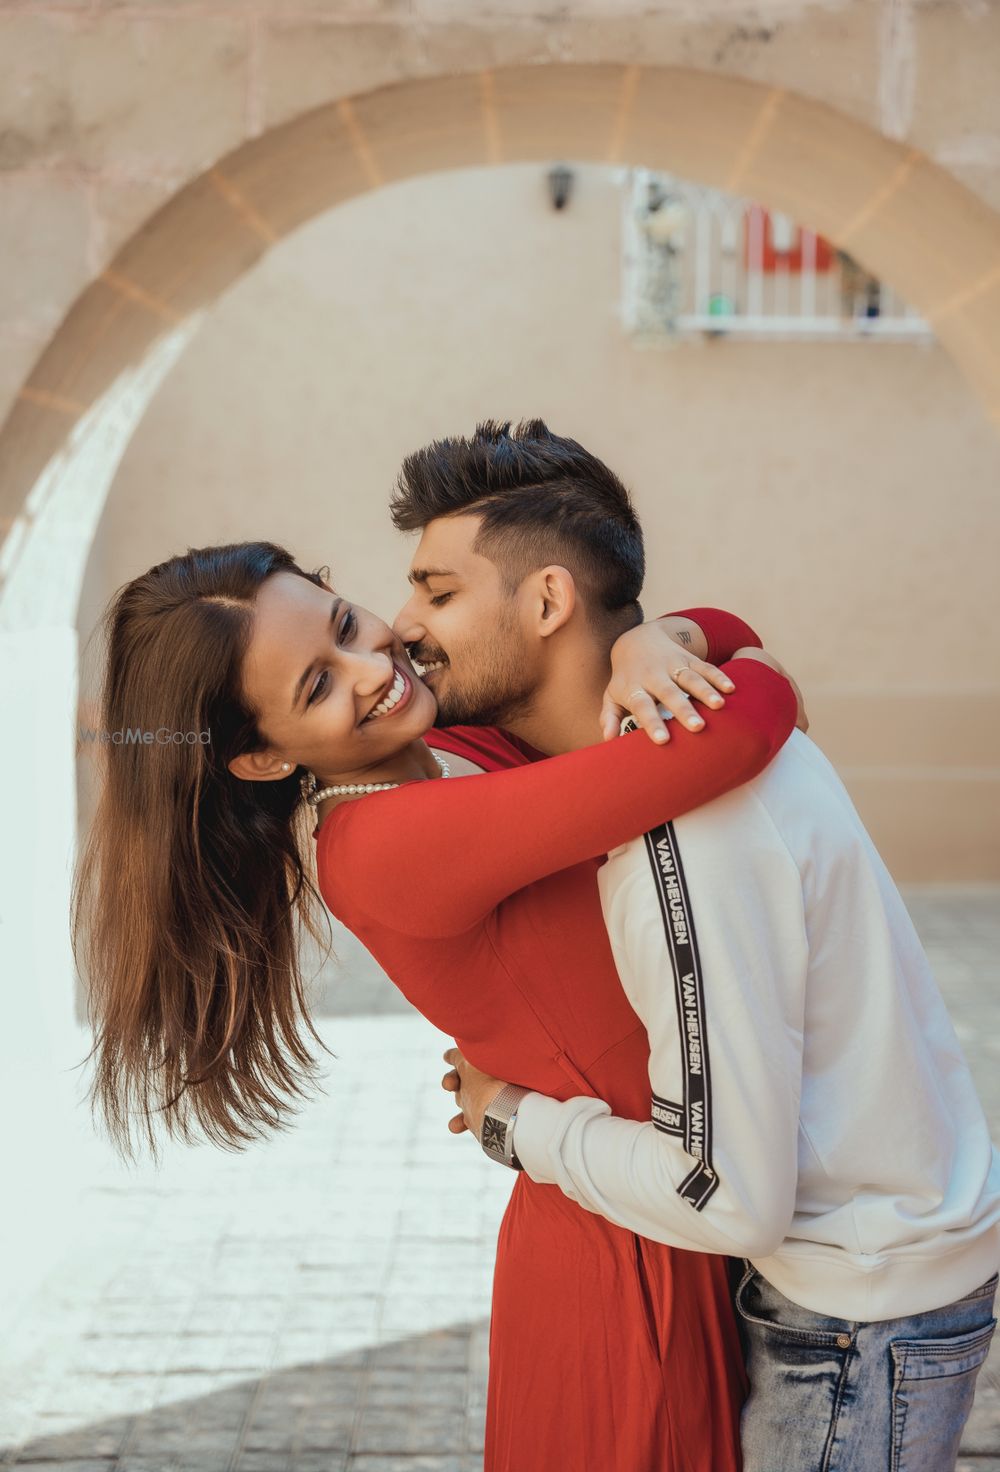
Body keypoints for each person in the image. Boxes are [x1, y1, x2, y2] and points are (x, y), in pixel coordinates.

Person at [74, 490, 799, 1469]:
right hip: (624, 1272)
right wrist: (710, 660)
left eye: (343, 624)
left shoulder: (445, 744)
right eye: (318, 687)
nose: (374, 668)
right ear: (259, 756)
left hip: (661, 1196)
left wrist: (651, 640)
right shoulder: (383, 844)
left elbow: (720, 636)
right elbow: (740, 724)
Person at [432, 461, 1000, 1472]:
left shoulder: (680, 830)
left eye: (437, 592)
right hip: (887, 1280)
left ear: (549, 598)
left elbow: (725, 1191)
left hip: (854, 1330)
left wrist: (519, 1121)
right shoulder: (705, 727)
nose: (403, 623)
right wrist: (679, 631)